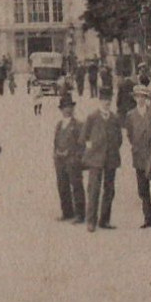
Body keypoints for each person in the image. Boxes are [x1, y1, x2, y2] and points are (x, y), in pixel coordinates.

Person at [82, 99, 123, 231]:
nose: (106, 103)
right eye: (104, 101)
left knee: (109, 190)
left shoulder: (115, 118)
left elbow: (119, 138)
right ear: (100, 102)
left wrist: (113, 148)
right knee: (94, 189)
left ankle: (104, 220)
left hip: (111, 158)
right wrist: (92, 149)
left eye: (108, 101)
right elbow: (84, 136)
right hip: (96, 159)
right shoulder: (92, 117)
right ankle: (91, 221)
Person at [124, 88, 151, 228]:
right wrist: (136, 146)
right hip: (139, 156)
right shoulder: (130, 115)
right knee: (143, 190)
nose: (140, 99)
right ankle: (148, 218)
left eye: (143, 96)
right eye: (138, 96)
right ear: (134, 98)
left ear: (147, 98)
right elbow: (130, 134)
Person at [53, 95, 87, 223]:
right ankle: (67, 212)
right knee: (62, 186)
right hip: (60, 161)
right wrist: (56, 154)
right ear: (61, 110)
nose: (67, 110)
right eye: (64, 108)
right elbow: (55, 142)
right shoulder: (59, 125)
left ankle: (80, 214)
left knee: (76, 186)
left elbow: (83, 144)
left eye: (69, 107)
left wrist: (76, 157)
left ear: (73, 109)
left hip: (73, 160)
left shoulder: (78, 125)